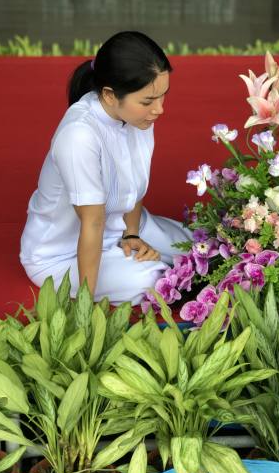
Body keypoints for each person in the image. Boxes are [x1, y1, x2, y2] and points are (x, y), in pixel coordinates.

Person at [20, 31, 192, 305]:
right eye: (148, 101)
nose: (159, 109)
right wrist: (86, 307)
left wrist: (131, 234)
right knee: (157, 279)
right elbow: (92, 221)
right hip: (63, 252)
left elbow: (135, 184)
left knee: (196, 247)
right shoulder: (79, 136)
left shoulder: (138, 117)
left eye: (162, 96)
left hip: (118, 225)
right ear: (110, 96)